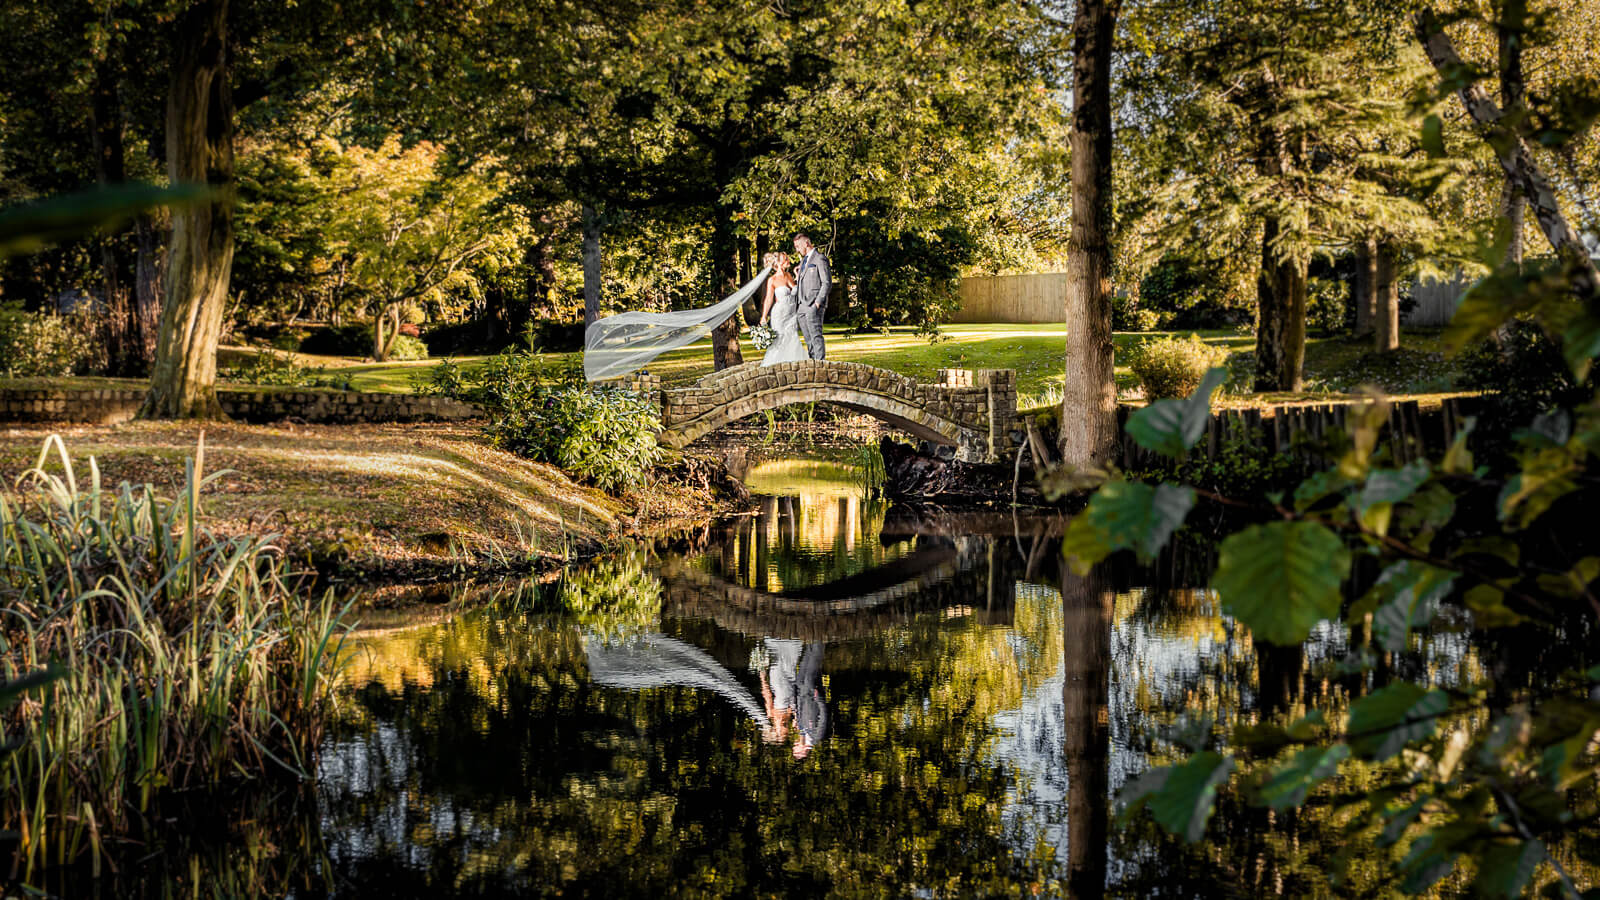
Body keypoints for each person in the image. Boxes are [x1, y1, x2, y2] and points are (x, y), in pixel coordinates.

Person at [757, 252, 807, 366]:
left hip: (791, 314)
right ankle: (776, 366)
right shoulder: (772, 280)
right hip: (779, 314)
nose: (788, 261)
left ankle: (793, 365)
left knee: (793, 338)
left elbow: (796, 289)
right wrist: (764, 316)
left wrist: (797, 275)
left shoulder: (789, 276)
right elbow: (769, 299)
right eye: (786, 259)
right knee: (779, 340)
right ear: (779, 263)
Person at [792, 233, 830, 360]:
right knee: (808, 339)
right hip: (801, 306)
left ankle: (820, 365)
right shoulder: (803, 260)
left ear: (806, 243)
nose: (797, 249)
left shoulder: (820, 259)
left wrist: (818, 303)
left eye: (798, 246)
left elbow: (826, 283)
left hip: (814, 304)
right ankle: (813, 364)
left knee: (816, 336)